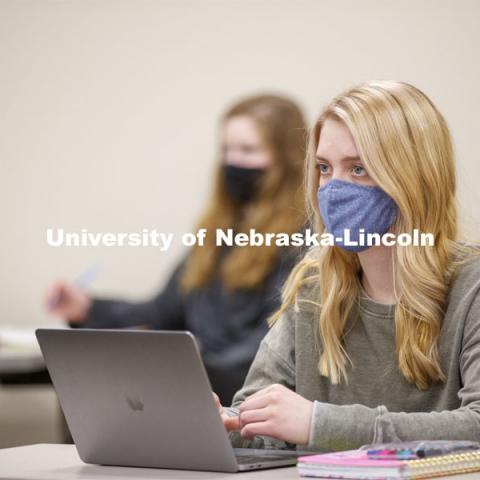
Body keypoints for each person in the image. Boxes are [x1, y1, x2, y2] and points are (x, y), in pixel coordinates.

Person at [215, 81, 480, 452]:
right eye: (324, 168)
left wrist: (319, 424)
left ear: (414, 178)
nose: (333, 189)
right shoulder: (313, 283)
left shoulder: (473, 286)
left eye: (358, 169)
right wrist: (220, 423)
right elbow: (259, 419)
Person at [45, 94, 307, 405]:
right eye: (226, 149)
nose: (232, 161)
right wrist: (86, 308)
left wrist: (188, 372)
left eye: (248, 150)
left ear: (286, 158)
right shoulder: (218, 235)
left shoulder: (304, 241)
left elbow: (276, 345)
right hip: (198, 392)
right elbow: (163, 312)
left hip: (251, 403)